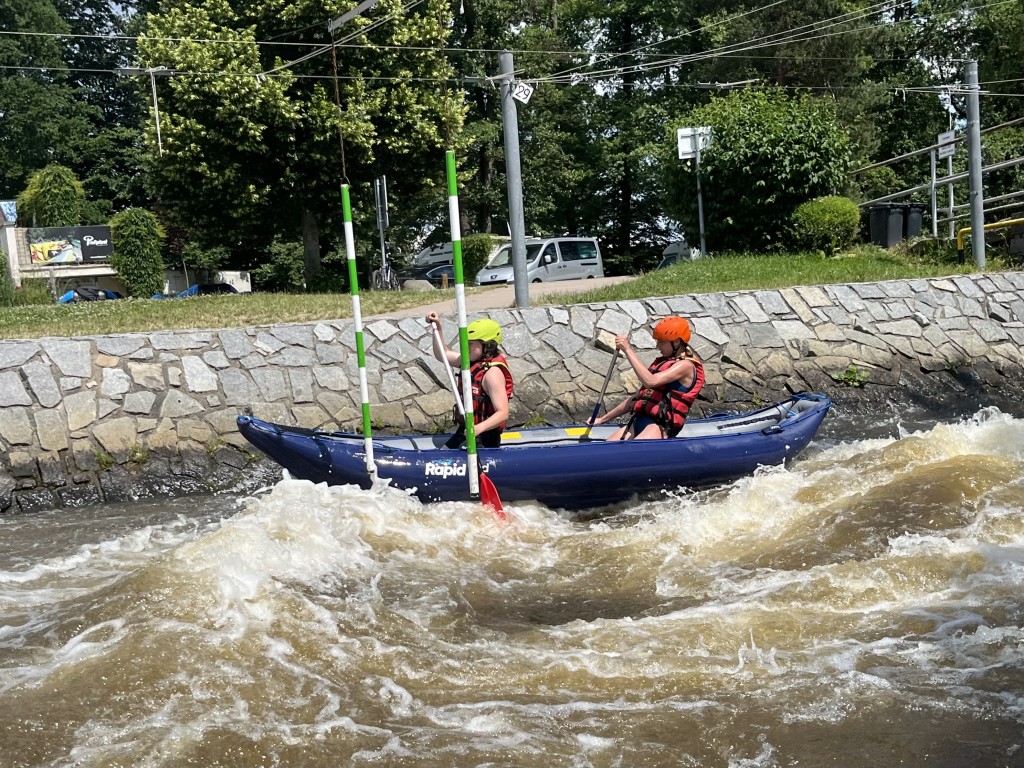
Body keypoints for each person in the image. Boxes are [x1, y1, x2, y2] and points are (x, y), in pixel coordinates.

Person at [590, 316, 705, 440]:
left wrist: (627, 349)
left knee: (631, 450)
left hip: (658, 426)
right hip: (637, 421)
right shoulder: (663, 363)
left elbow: (650, 381)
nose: (658, 346)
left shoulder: (686, 366)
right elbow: (636, 398)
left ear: (676, 342)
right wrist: (602, 419)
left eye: (662, 342)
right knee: (608, 447)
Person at [426, 312, 514, 448]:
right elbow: (442, 354)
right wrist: (437, 327)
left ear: (487, 345)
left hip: (484, 437)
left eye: (471, 344)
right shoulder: (469, 361)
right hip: (465, 432)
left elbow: (503, 413)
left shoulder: (492, 374)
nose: (466, 347)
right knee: (442, 456)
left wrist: (478, 429)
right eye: (466, 343)